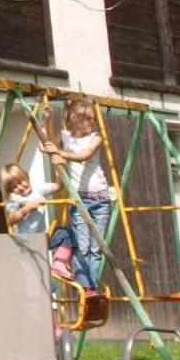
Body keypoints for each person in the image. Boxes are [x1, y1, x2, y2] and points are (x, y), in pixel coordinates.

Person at [47, 98, 114, 295]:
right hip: (81, 199)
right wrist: (46, 120)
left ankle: (90, 285)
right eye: (89, 120)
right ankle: (87, 288)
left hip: (101, 199)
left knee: (97, 249)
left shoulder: (96, 137)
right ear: (75, 118)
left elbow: (85, 155)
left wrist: (62, 154)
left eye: (93, 120)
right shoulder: (65, 137)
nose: (92, 123)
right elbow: (47, 146)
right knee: (83, 247)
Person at [0, 162, 48, 234]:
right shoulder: (13, 198)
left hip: (42, 234)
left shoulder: (37, 189)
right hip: (27, 236)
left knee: (62, 233)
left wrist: (58, 169)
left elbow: (58, 186)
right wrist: (26, 209)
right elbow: (10, 220)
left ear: (26, 176)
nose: (20, 187)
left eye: (21, 182)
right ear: (9, 190)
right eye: (14, 187)